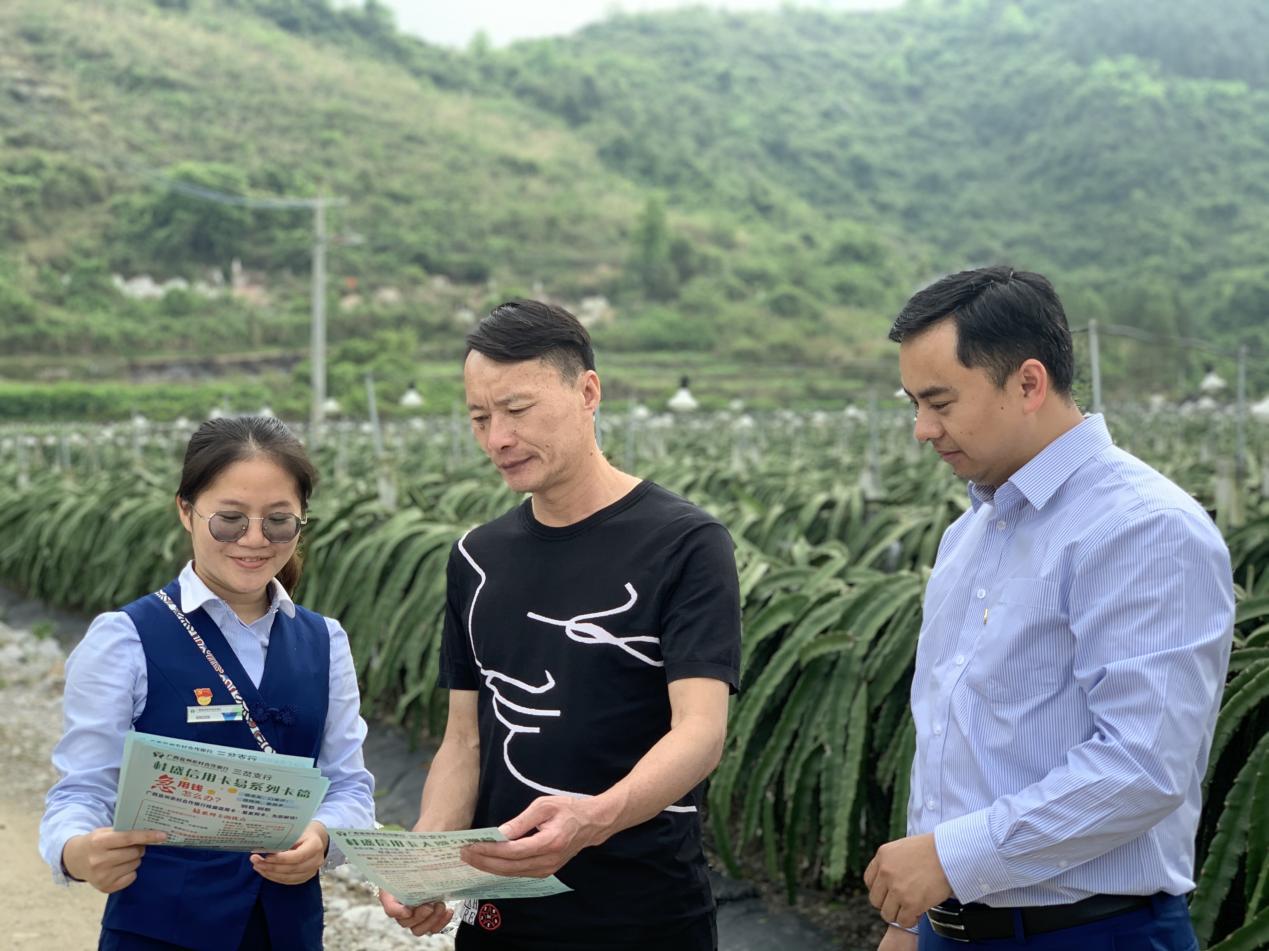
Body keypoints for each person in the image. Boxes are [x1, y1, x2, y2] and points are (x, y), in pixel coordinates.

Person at [864, 266, 1233, 950]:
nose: (921, 429)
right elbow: (954, 748)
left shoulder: (1144, 528)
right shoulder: (967, 535)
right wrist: (909, 922)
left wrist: (948, 858)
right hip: (950, 925)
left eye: (940, 402)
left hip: (1093, 931)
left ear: (1028, 383)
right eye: (913, 403)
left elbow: (1142, 765)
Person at [379, 299, 741, 950]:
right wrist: (426, 859)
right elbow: (464, 741)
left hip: (643, 914)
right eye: (479, 418)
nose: (497, 438)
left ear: (588, 392)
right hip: (501, 916)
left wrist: (593, 818)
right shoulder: (475, 558)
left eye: (517, 410)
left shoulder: (685, 542)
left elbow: (700, 731)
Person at [39, 415, 376, 950]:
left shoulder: (325, 640)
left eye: (279, 521)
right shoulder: (124, 638)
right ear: (185, 510)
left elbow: (349, 786)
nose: (254, 539)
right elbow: (84, 788)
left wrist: (322, 836)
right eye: (230, 519)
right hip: (158, 931)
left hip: (287, 933)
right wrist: (76, 850)